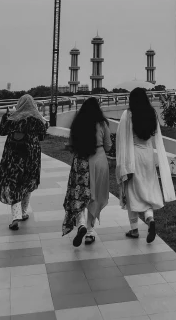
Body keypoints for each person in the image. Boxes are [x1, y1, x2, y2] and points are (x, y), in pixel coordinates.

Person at [116, 87, 175, 243]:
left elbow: (121, 139)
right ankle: (150, 220)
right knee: (147, 190)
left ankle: (134, 229)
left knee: (132, 192)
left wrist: (121, 164)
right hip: (148, 155)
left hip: (133, 156)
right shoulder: (151, 114)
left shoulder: (128, 114)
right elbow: (156, 137)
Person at [0, 94, 48, 230]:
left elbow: (1, 131)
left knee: (14, 184)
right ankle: (23, 213)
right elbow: (42, 136)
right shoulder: (37, 119)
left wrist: (5, 117)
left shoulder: (13, 119)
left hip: (14, 158)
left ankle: (16, 216)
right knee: (27, 183)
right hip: (31, 158)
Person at [62, 97, 112, 246]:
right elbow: (108, 146)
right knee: (94, 197)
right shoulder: (102, 124)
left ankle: (82, 224)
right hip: (99, 162)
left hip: (81, 163)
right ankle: (90, 232)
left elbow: (70, 144)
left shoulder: (77, 123)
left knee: (79, 195)